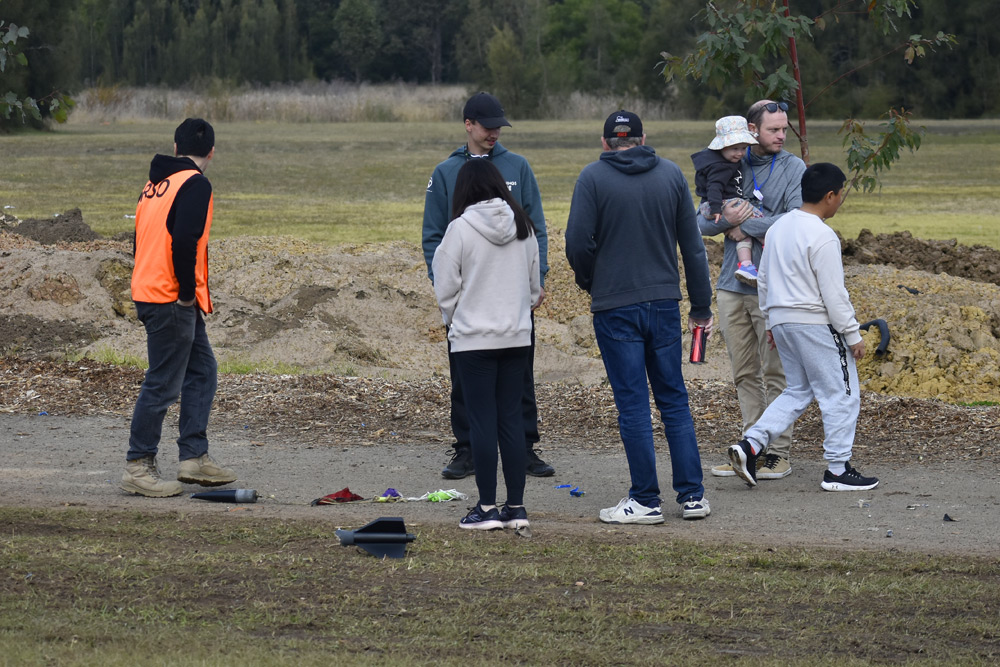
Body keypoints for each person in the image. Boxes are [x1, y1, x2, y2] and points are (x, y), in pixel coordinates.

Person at [565, 110, 714, 523]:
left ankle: (646, 499)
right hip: (663, 301)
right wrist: (701, 305)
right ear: (643, 138)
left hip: (615, 305)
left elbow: (576, 241)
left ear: (605, 142)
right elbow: (693, 246)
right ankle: (692, 495)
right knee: (674, 399)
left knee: (632, 403)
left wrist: (590, 279)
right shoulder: (670, 174)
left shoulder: (593, 178)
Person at [422, 92, 554, 480]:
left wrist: (537, 279)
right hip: (468, 298)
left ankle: (524, 447)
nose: (494, 133)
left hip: (512, 295)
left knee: (521, 375)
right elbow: (434, 236)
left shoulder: (517, 166)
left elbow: (535, 228)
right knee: (464, 377)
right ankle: (466, 448)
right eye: (487, 126)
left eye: (499, 127)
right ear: (468, 125)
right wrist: (445, 287)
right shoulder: (446, 172)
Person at [728, 163, 879, 492]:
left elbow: (763, 278)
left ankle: (750, 445)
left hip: (782, 321)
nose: (840, 200)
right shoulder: (822, 235)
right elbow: (834, 294)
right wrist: (852, 334)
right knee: (842, 394)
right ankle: (837, 470)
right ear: (829, 196)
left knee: (797, 390)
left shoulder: (778, 228)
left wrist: (770, 321)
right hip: (814, 323)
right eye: (840, 195)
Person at [121, 118, 237, 497]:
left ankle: (193, 457)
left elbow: (140, 240)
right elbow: (185, 241)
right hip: (171, 297)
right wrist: (187, 294)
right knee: (163, 382)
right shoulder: (195, 184)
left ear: (175, 147)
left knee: (202, 370)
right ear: (211, 153)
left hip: (151, 290)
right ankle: (138, 465)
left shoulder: (154, 185)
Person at [698, 100, 806, 481]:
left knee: (777, 372)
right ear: (752, 130)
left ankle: (779, 452)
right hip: (731, 285)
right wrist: (725, 218)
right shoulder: (730, 161)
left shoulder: (793, 168)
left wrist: (746, 227)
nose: (782, 135)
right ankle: (750, 451)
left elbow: (796, 221)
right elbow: (700, 222)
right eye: (774, 129)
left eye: (784, 128)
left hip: (773, 286)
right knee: (744, 372)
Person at [432, 159, 540, 530]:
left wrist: (455, 319)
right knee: (511, 419)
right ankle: (516, 507)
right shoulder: (524, 226)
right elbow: (534, 289)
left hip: (473, 339)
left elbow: (445, 288)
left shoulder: (459, 229)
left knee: (481, 421)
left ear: (464, 190)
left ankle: (487, 507)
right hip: (516, 336)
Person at [691, 115, 764, 286]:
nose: (740, 153)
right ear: (722, 147)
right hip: (718, 204)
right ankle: (768, 244)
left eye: (743, 148)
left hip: (715, 204)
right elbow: (714, 187)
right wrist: (717, 209)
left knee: (743, 234)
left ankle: (746, 265)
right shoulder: (721, 166)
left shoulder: (721, 160)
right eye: (735, 148)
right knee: (755, 215)